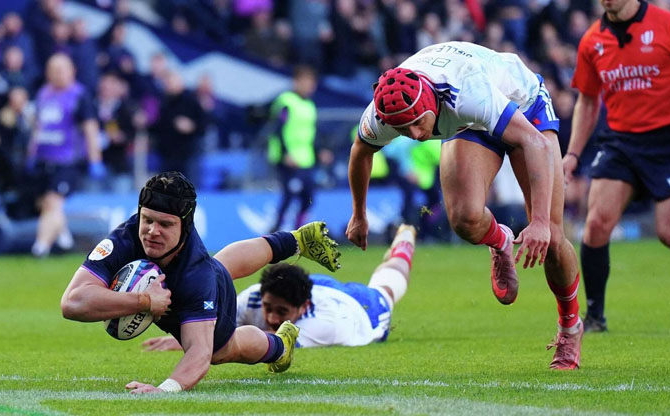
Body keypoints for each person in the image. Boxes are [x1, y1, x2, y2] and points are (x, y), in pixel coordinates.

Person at [346, 41, 583, 370]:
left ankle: (570, 326)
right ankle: (500, 240)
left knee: (553, 238)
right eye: (401, 129)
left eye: (416, 122)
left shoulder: (467, 94)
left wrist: (540, 222)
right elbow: (361, 151)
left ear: (429, 102)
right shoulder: (382, 111)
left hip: (524, 108)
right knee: (464, 219)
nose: (414, 134)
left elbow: (534, 143)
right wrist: (358, 214)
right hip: (471, 122)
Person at [60, 171, 341, 393]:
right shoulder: (125, 237)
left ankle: (280, 346)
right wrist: (144, 301)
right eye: (147, 220)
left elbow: (200, 354)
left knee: (221, 349)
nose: (152, 232)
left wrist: (164, 390)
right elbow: (72, 303)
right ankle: (296, 240)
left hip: (201, 283)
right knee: (220, 267)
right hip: (188, 279)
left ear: (185, 226)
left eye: (165, 224)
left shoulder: (197, 274)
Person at [564, 0, 670, 333]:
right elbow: (588, 100)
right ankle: (594, 317)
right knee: (595, 225)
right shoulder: (591, 41)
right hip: (621, 143)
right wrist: (572, 154)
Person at [143, 223, 416, 351]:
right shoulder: (252, 298)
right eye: (268, 307)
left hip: (358, 308)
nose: (272, 317)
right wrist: (186, 338)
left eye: (282, 312)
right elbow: (211, 326)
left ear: (304, 307)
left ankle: (405, 240)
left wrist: (194, 345)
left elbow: (267, 343)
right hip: (312, 285)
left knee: (387, 288)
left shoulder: (325, 325)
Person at [28, 53, 104, 257]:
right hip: (44, 158)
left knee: (53, 200)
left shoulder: (79, 95)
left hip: (67, 160)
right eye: (52, 70)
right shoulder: (43, 94)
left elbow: (90, 127)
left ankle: (40, 247)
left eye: (61, 70)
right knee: (45, 202)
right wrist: (32, 152)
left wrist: (95, 159)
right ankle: (64, 239)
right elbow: (37, 126)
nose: (57, 74)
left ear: (72, 71)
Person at [267, 65, 318, 231]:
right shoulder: (286, 101)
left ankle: (298, 231)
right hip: (287, 158)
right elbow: (278, 129)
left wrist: (320, 151)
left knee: (308, 197)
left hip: (306, 158)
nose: (310, 86)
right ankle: (275, 230)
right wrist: (285, 154)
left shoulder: (310, 105)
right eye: (306, 82)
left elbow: (311, 133)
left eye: (312, 82)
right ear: (296, 82)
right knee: (290, 195)